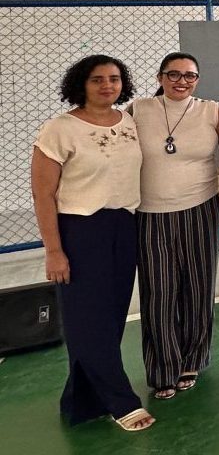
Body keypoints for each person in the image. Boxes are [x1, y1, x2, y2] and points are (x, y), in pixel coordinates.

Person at [31, 55, 154, 431]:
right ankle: (121, 401)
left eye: (114, 79)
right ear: (81, 84)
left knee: (112, 315)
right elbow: (42, 194)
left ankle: (82, 401)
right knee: (88, 318)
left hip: (125, 225)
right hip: (80, 229)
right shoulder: (60, 129)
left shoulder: (128, 122)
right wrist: (54, 250)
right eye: (97, 79)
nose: (107, 86)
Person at [130, 52, 219, 400]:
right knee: (159, 293)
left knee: (198, 290)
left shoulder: (211, 111)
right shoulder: (138, 110)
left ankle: (193, 360)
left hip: (201, 209)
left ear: (197, 80)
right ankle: (162, 369)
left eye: (190, 75)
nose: (181, 81)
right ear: (160, 77)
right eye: (173, 74)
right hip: (150, 213)